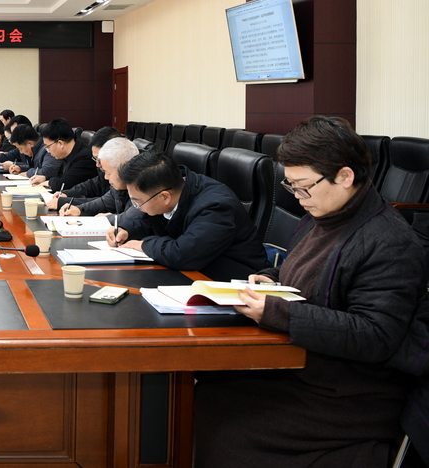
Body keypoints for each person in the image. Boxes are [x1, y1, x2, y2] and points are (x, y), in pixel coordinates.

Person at [195, 116, 427, 467]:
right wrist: (270, 278)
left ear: (345, 177)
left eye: (303, 187)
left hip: (348, 394)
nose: (298, 197)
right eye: (291, 187)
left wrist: (278, 312)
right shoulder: (323, 216)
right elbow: (299, 271)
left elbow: (376, 335)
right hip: (305, 363)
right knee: (203, 391)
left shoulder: (389, 242)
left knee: (226, 428)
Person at [107, 150, 268, 280]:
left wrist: (143, 245)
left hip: (234, 283)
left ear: (165, 197)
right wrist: (126, 229)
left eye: (138, 202)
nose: (138, 207)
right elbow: (151, 219)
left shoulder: (216, 207)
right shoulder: (178, 189)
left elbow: (182, 254)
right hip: (196, 273)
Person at [59, 137, 139, 218]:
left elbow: (132, 219)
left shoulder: (140, 188)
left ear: (124, 170)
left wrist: (110, 218)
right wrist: (79, 209)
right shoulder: (118, 187)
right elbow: (104, 202)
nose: (106, 177)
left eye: (108, 173)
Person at [48, 126, 121, 209]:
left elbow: (106, 202)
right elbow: (93, 185)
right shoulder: (104, 171)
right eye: (95, 159)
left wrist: (65, 201)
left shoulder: (125, 177)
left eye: (99, 159)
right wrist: (68, 193)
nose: (97, 165)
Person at [31, 117, 98, 191]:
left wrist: (50, 182)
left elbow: (65, 184)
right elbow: (61, 176)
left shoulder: (84, 157)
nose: (48, 151)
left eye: (48, 147)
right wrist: (45, 178)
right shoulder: (67, 154)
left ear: (60, 143)